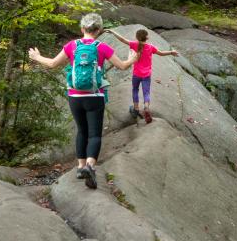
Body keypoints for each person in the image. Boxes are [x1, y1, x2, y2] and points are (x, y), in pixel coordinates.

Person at [28, 13, 137, 189]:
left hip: (75, 96)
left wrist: (36, 57)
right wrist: (133, 58)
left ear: (82, 29)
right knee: (94, 134)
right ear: (99, 30)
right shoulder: (102, 47)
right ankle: (90, 166)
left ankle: (80, 167)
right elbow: (122, 66)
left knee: (82, 131)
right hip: (95, 96)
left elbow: (52, 64)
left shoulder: (72, 46)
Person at [104, 28, 178, 124]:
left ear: (137, 37)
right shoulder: (150, 47)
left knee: (135, 90)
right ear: (147, 37)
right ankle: (146, 107)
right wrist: (171, 52)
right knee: (146, 92)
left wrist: (113, 32)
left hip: (136, 74)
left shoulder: (134, 44)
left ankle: (136, 109)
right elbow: (161, 53)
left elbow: (122, 39)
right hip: (146, 75)